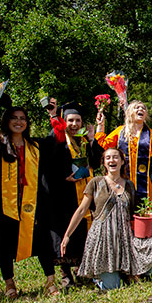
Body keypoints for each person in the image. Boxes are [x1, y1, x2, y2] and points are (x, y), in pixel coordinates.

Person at [61, 148, 152, 290]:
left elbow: (138, 211)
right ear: (104, 163)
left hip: (126, 240)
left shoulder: (129, 185)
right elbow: (81, 210)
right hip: (103, 241)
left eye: (115, 157)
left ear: (122, 161)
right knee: (114, 286)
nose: (112, 160)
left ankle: (138, 273)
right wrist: (67, 235)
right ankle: (101, 276)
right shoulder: (96, 182)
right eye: (108, 158)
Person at [0, 104, 59, 298]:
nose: (19, 121)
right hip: (3, 203)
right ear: (7, 121)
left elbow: (57, 138)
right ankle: (10, 285)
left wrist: (54, 115)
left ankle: (50, 281)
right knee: (5, 242)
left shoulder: (35, 146)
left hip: (32, 202)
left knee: (42, 241)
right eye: (14, 118)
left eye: (22, 118)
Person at [48, 101, 102, 289]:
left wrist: (93, 138)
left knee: (81, 232)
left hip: (85, 193)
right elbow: (49, 164)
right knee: (65, 231)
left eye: (78, 120)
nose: (74, 124)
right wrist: (63, 176)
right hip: (64, 194)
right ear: (64, 121)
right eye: (70, 120)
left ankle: (81, 268)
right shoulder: (58, 139)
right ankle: (65, 274)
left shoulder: (84, 140)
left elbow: (98, 160)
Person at [95, 100, 152, 203]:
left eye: (143, 108)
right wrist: (100, 125)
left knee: (144, 213)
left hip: (144, 183)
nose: (141, 109)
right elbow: (103, 144)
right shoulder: (120, 131)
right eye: (137, 107)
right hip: (122, 180)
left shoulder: (151, 133)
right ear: (130, 112)